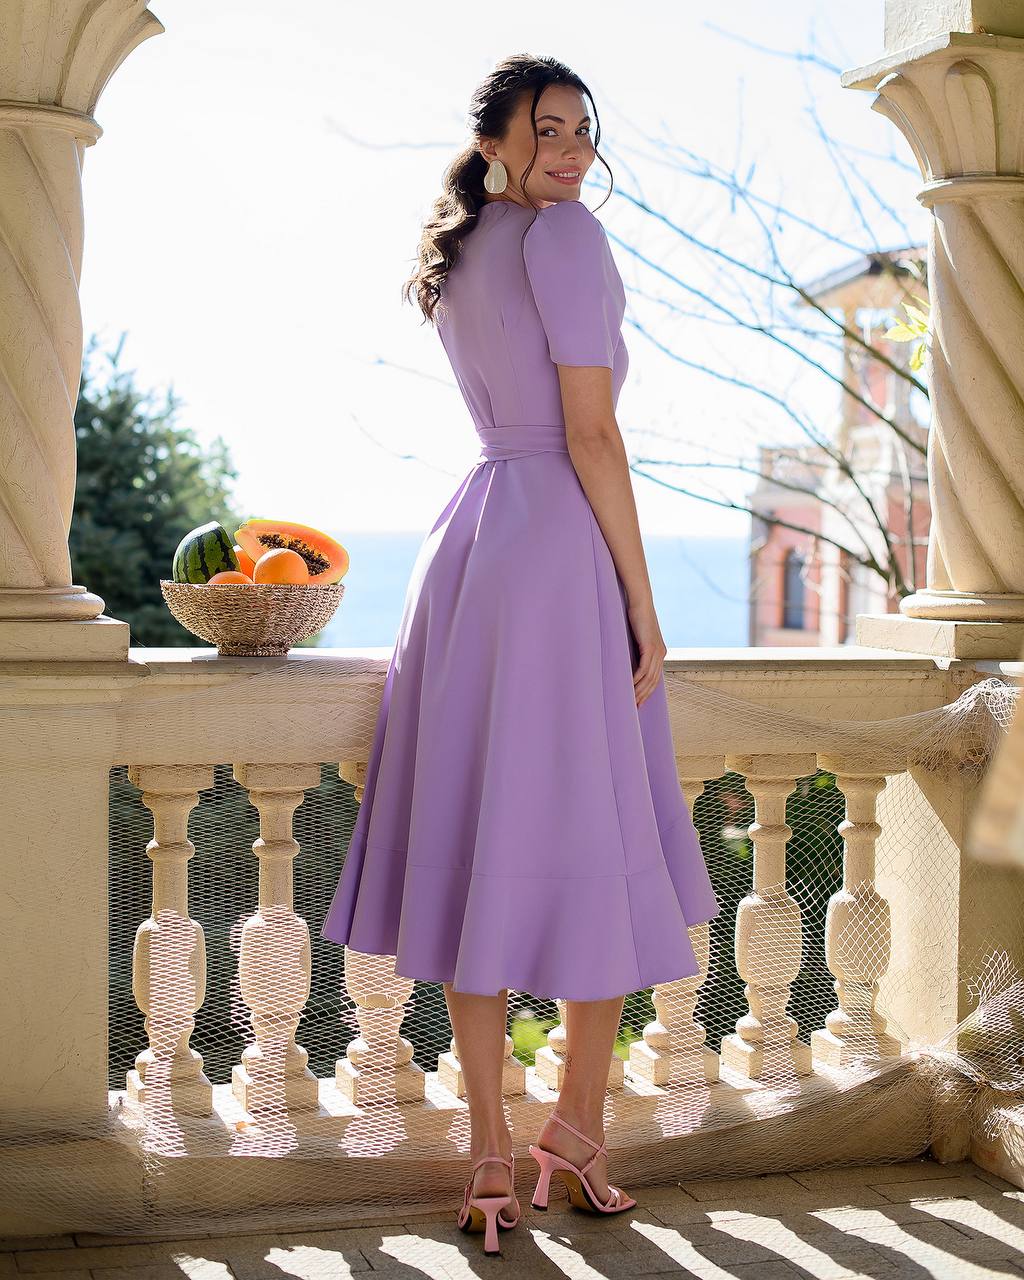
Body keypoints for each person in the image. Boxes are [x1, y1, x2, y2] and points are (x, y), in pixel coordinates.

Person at [320, 53, 720, 1254]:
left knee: (477, 840)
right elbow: (592, 430)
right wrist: (643, 604)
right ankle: (575, 1129)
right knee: (601, 835)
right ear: (494, 137)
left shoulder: (461, 248)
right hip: (557, 552)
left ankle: (494, 1153)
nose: (572, 150)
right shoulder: (569, 239)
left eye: (584, 131)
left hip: (473, 545)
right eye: (548, 129)